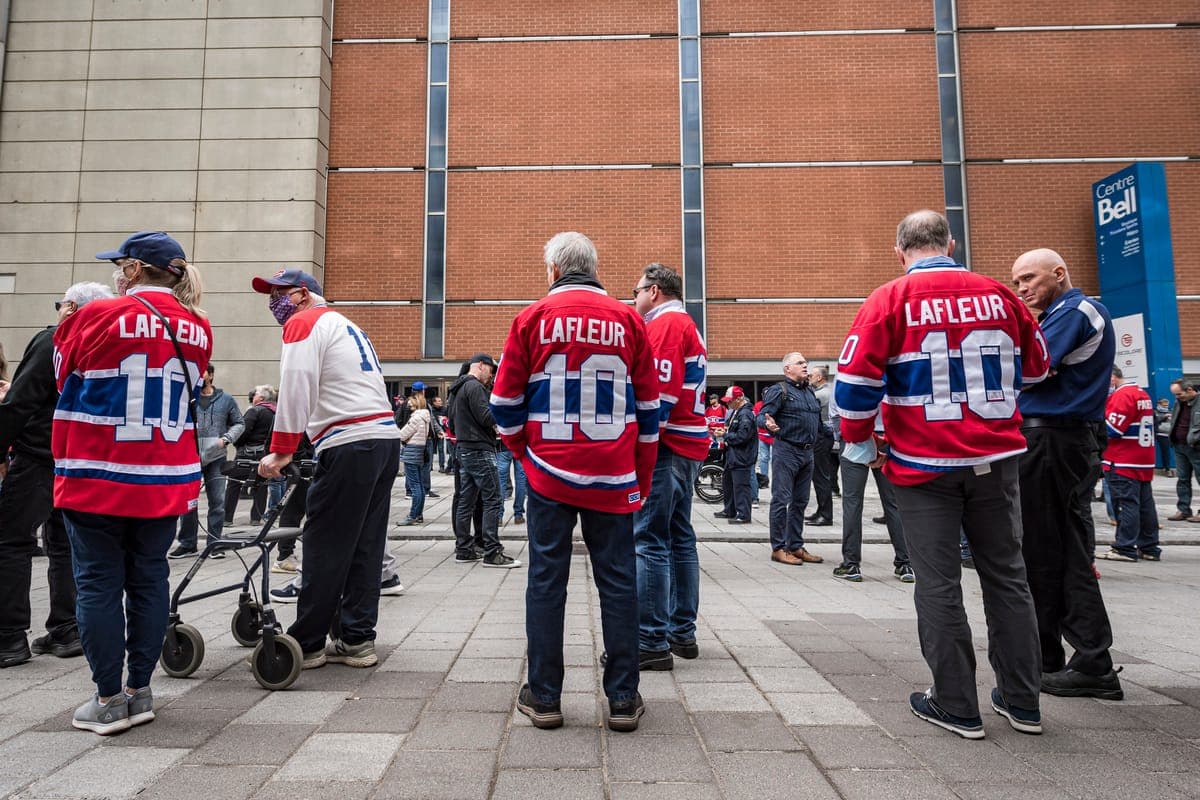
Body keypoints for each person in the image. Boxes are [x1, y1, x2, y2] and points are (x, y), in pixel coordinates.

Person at [837, 211, 1051, 739]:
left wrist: (864, 443)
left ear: (899, 250)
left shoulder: (888, 300)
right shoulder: (1000, 295)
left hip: (923, 465)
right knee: (1008, 578)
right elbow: (1038, 367)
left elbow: (853, 385)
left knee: (938, 584)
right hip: (997, 461)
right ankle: (1023, 700)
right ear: (950, 243)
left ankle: (956, 703)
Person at [491, 231, 659, 732]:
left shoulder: (532, 318)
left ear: (554, 270)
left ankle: (544, 696)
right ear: (593, 267)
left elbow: (503, 406)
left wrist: (526, 457)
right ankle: (624, 698)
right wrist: (640, 477)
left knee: (546, 581)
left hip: (549, 472)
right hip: (613, 472)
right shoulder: (630, 319)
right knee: (619, 582)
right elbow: (650, 412)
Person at [53, 231, 212, 734]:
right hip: (165, 475)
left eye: (121, 266)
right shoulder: (199, 327)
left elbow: (63, 377)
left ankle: (106, 698)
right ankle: (139, 691)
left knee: (98, 582)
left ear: (137, 269)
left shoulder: (95, 315)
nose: (116, 274)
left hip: (98, 471)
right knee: (149, 578)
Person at [253, 268, 402, 669]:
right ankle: (357, 638)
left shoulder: (303, 323)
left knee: (324, 542)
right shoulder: (344, 323)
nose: (273, 303)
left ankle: (309, 640)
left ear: (302, 295)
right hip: (382, 437)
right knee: (365, 543)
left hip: (348, 439)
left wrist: (281, 450)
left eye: (278, 294)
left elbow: (297, 381)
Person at [1011, 247, 1123, 701]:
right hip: (1054, 441)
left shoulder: (1076, 310)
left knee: (1057, 549)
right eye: (1017, 281)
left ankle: (1090, 661)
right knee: (1050, 547)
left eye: (1030, 278)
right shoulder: (1061, 313)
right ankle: (1053, 655)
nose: (1023, 288)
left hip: (1054, 440)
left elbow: (1029, 369)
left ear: (1059, 273)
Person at [0, 281, 112, 668]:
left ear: (72, 308)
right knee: (64, 544)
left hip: (38, 455)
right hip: (79, 458)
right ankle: (66, 628)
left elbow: (20, 399)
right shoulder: (106, 345)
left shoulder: (54, 341)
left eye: (60, 303)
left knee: (12, 542)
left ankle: (9, 636)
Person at [629, 262, 710, 670]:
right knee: (680, 538)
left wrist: (640, 446)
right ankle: (682, 631)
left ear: (655, 290)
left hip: (666, 445)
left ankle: (650, 640)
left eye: (638, 290)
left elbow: (656, 395)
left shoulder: (663, 326)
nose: (635, 298)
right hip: (688, 444)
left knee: (649, 539)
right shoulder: (688, 325)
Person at [447, 353, 518, 567]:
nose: (491, 376)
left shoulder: (457, 388)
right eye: (491, 370)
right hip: (479, 449)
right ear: (480, 366)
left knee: (465, 501)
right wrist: (504, 409)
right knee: (493, 498)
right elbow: (486, 417)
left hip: (464, 448)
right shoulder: (475, 387)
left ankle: (464, 549)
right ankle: (492, 552)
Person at [170, 363, 244, 558]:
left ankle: (215, 543)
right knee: (189, 502)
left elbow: (239, 422)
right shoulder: (186, 399)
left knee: (217, 501)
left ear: (210, 375)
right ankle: (187, 543)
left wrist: (226, 439)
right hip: (189, 457)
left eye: (202, 371)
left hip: (216, 457)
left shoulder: (226, 400)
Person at [756, 353, 824, 566]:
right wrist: (768, 424)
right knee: (781, 500)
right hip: (787, 451)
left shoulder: (810, 392)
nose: (806, 366)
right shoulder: (780, 390)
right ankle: (778, 548)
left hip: (807, 453)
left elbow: (818, 422)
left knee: (800, 502)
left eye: (806, 363)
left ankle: (795, 545)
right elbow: (761, 415)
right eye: (800, 363)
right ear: (788, 369)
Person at [831, 411, 914, 583]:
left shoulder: (843, 383)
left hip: (856, 439)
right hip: (887, 438)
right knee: (893, 504)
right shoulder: (890, 382)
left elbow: (838, 416)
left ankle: (851, 564)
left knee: (852, 503)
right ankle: (905, 562)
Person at [1099, 367, 1161, 561]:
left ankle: (1124, 547)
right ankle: (1149, 546)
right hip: (1142, 458)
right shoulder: (1142, 394)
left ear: (1111, 378)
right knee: (1145, 504)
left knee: (1125, 504)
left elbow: (1113, 429)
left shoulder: (1123, 396)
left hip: (1122, 458)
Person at [224, 385, 283, 525]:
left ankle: (227, 518)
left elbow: (242, 432)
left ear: (261, 398)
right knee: (261, 486)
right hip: (265, 455)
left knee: (234, 484)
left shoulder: (254, 411)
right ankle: (256, 518)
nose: (252, 396)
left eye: (255, 394)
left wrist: (237, 444)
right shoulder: (276, 413)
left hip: (247, 454)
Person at [719, 386, 756, 525]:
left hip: (741, 455)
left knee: (741, 485)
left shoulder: (745, 414)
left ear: (739, 399)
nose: (727, 404)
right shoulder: (737, 411)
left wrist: (725, 435)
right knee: (728, 482)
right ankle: (730, 510)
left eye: (730, 401)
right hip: (733, 454)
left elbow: (743, 436)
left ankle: (744, 514)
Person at [805, 365, 835, 526]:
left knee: (821, 477)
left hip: (821, 438)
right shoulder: (826, 392)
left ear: (819, 377)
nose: (809, 377)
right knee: (820, 476)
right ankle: (822, 510)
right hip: (823, 437)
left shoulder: (820, 395)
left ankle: (825, 514)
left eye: (811, 375)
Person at [1166, 380, 1200, 522]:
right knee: (1182, 479)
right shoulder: (1179, 403)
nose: (1177, 397)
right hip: (1179, 445)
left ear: (1190, 390)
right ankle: (1183, 510)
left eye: (1179, 394)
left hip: (1196, 447)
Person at [397, 393, 433, 525]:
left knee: (415, 486)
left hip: (411, 452)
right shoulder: (425, 417)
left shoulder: (415, 418)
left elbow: (402, 435)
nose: (408, 404)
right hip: (420, 451)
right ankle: (418, 515)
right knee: (420, 485)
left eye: (411, 402)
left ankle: (413, 515)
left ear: (417, 403)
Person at [1154, 397, 1175, 475]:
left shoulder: (1171, 411)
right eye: (1164, 403)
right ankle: (1167, 469)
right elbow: (1154, 421)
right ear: (1159, 403)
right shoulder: (1155, 411)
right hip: (1161, 435)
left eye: (1167, 403)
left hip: (1171, 434)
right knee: (1165, 452)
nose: (1166, 405)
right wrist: (1164, 417)